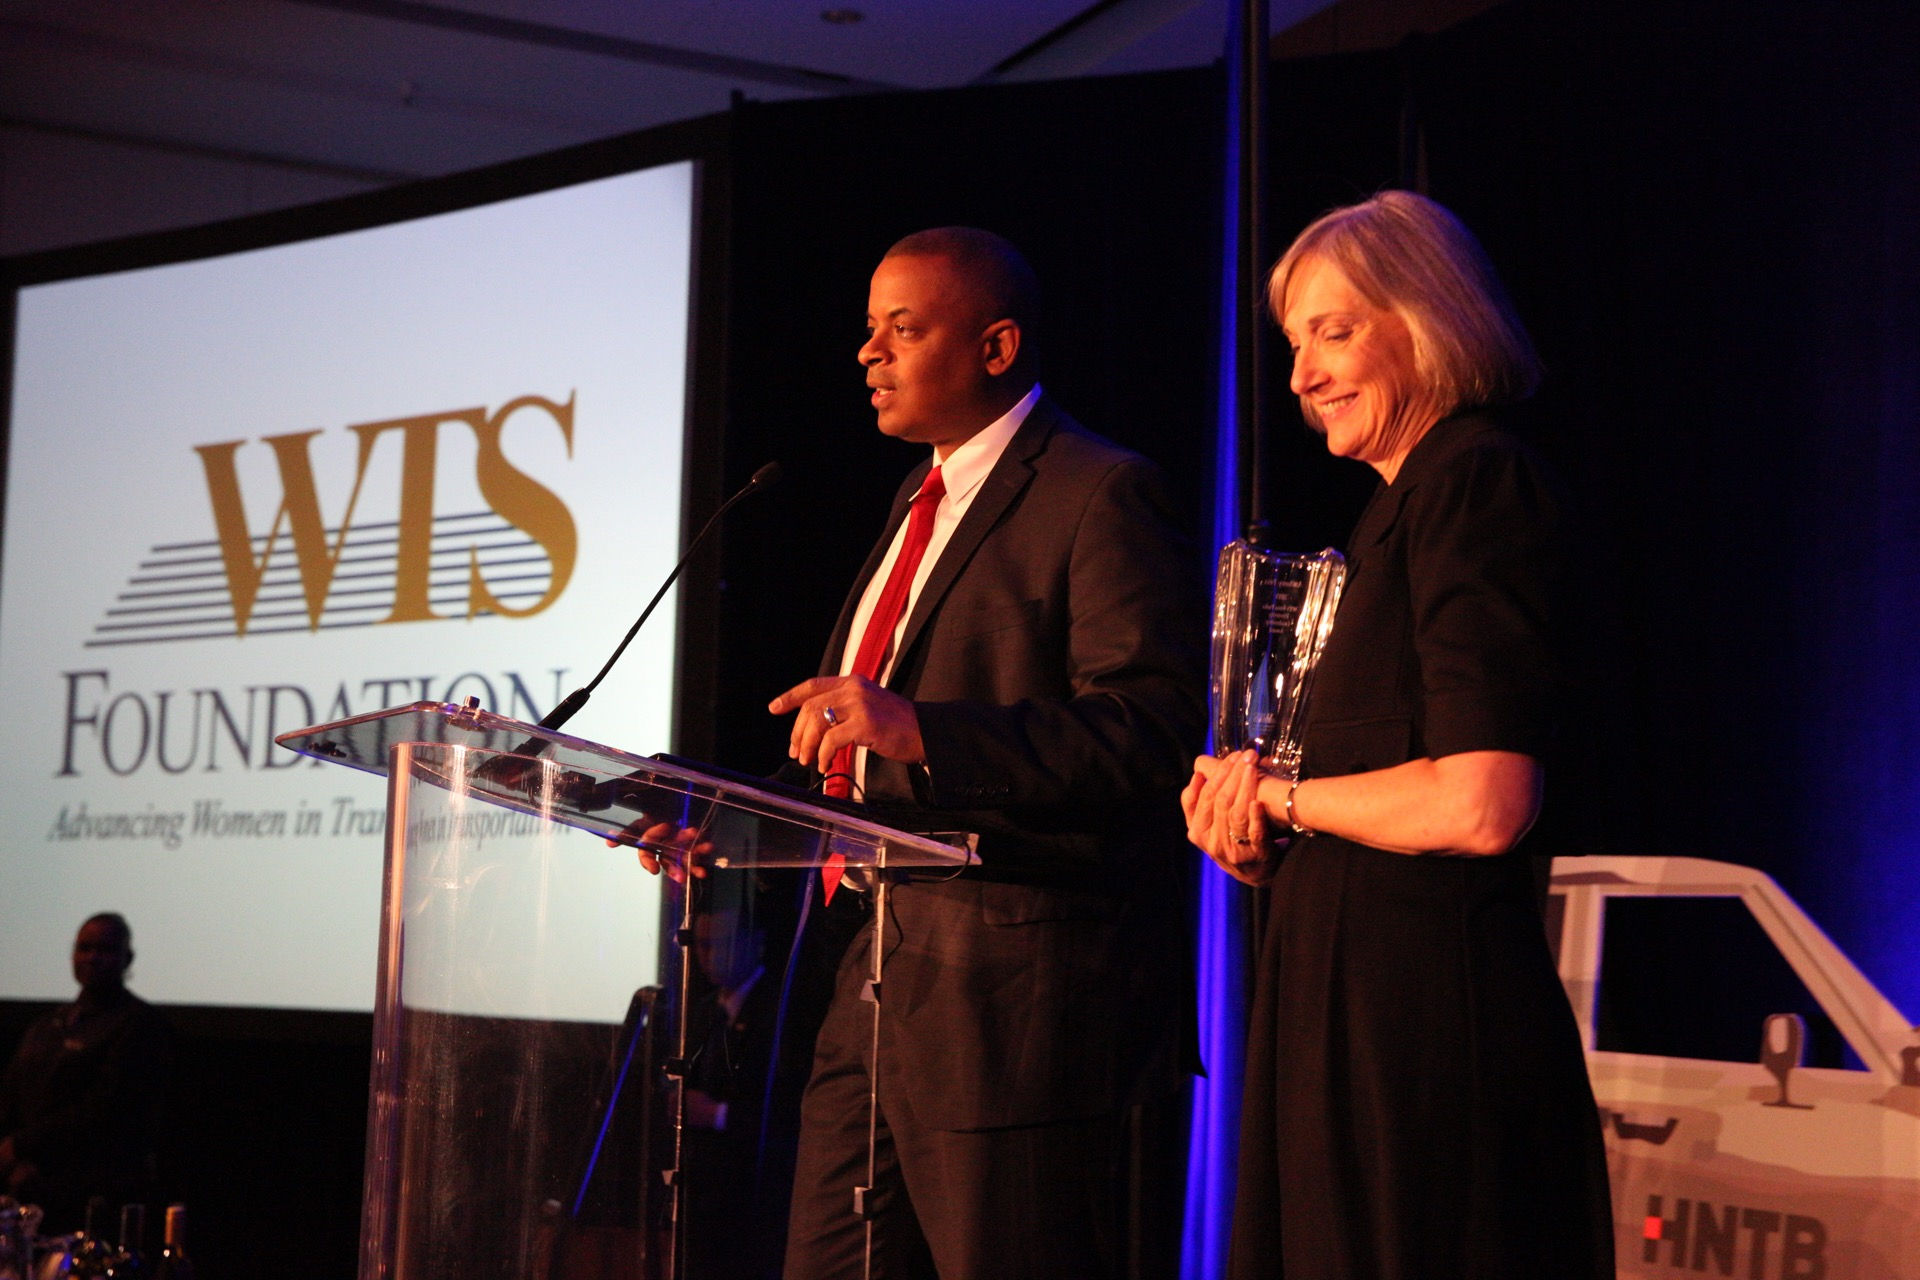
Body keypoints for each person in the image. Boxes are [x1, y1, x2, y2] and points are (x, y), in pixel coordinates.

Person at [1183, 191, 1615, 1279]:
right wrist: (1258, 830)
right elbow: (1378, 793)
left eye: (1334, 330)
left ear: (1428, 319)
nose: (1302, 374)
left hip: (1425, 1047)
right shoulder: (1391, 513)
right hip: (1348, 1018)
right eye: (1294, 343)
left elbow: (1481, 799)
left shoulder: (1479, 483)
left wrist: (1280, 796)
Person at [758, 227, 1205, 1278]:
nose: (869, 353)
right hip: (871, 997)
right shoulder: (914, 504)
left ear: (997, 347)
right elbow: (854, 753)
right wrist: (720, 812)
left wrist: (926, 729)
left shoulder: (1100, 490)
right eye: (869, 331)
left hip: (1019, 1025)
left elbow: (1153, 728)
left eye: (901, 329)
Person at [0, 914, 173, 1234]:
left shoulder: (138, 1024)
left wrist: (24, 1146)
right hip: (26, 1189)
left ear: (127, 959)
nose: (92, 957)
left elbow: (106, 1109)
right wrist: (11, 1157)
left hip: (94, 1198)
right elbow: (10, 1095)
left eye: (105, 949)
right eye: (84, 947)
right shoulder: (47, 1025)